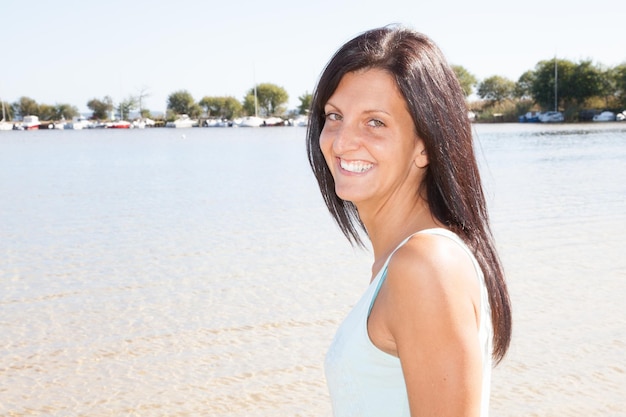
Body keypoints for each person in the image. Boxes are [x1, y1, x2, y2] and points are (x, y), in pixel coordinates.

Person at [305, 25, 512, 417]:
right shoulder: (402, 262)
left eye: (375, 122)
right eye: (335, 116)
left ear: (425, 146)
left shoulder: (426, 265)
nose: (342, 141)